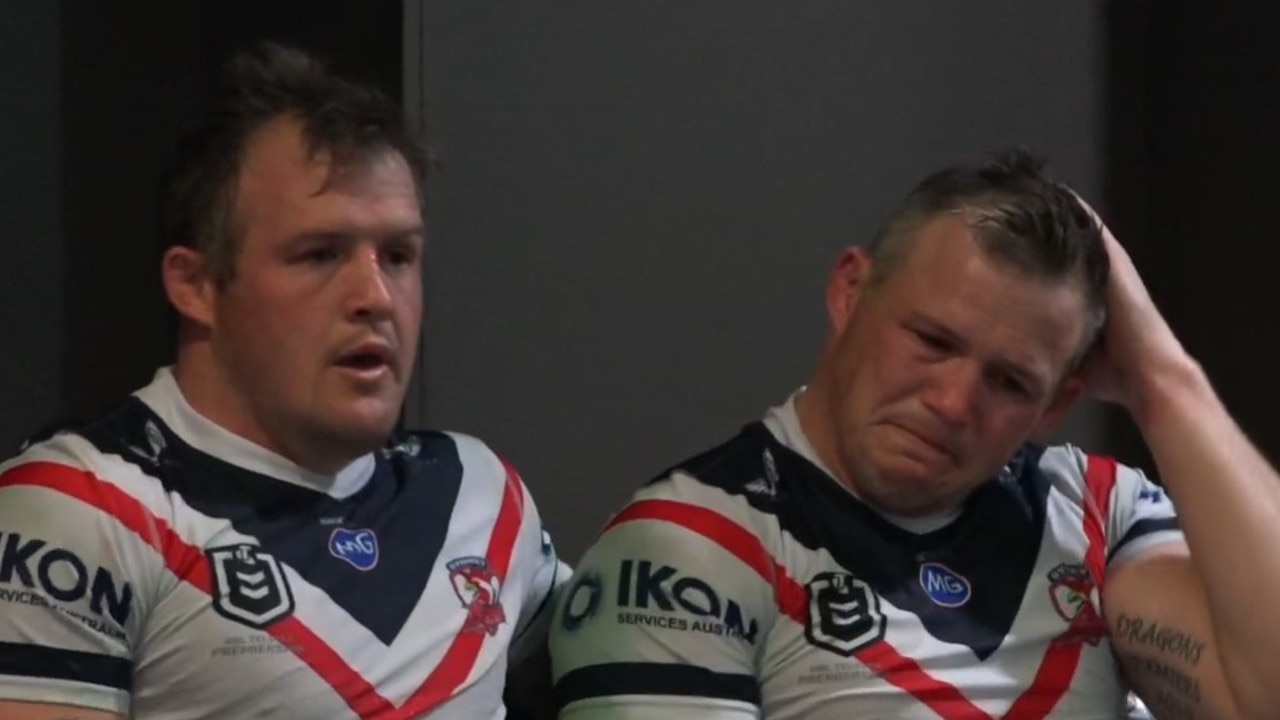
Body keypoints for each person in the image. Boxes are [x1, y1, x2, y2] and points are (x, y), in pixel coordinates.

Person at [549, 148, 1280, 719]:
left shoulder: (1095, 515)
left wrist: (1165, 382)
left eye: (1011, 382)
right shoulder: (686, 549)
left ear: (1057, 405)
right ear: (850, 291)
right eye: (932, 340)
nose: (955, 401)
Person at [0, 42, 566, 719]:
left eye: (398, 255)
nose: (375, 295)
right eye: (321, 254)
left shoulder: (482, 496)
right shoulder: (80, 510)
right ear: (197, 284)